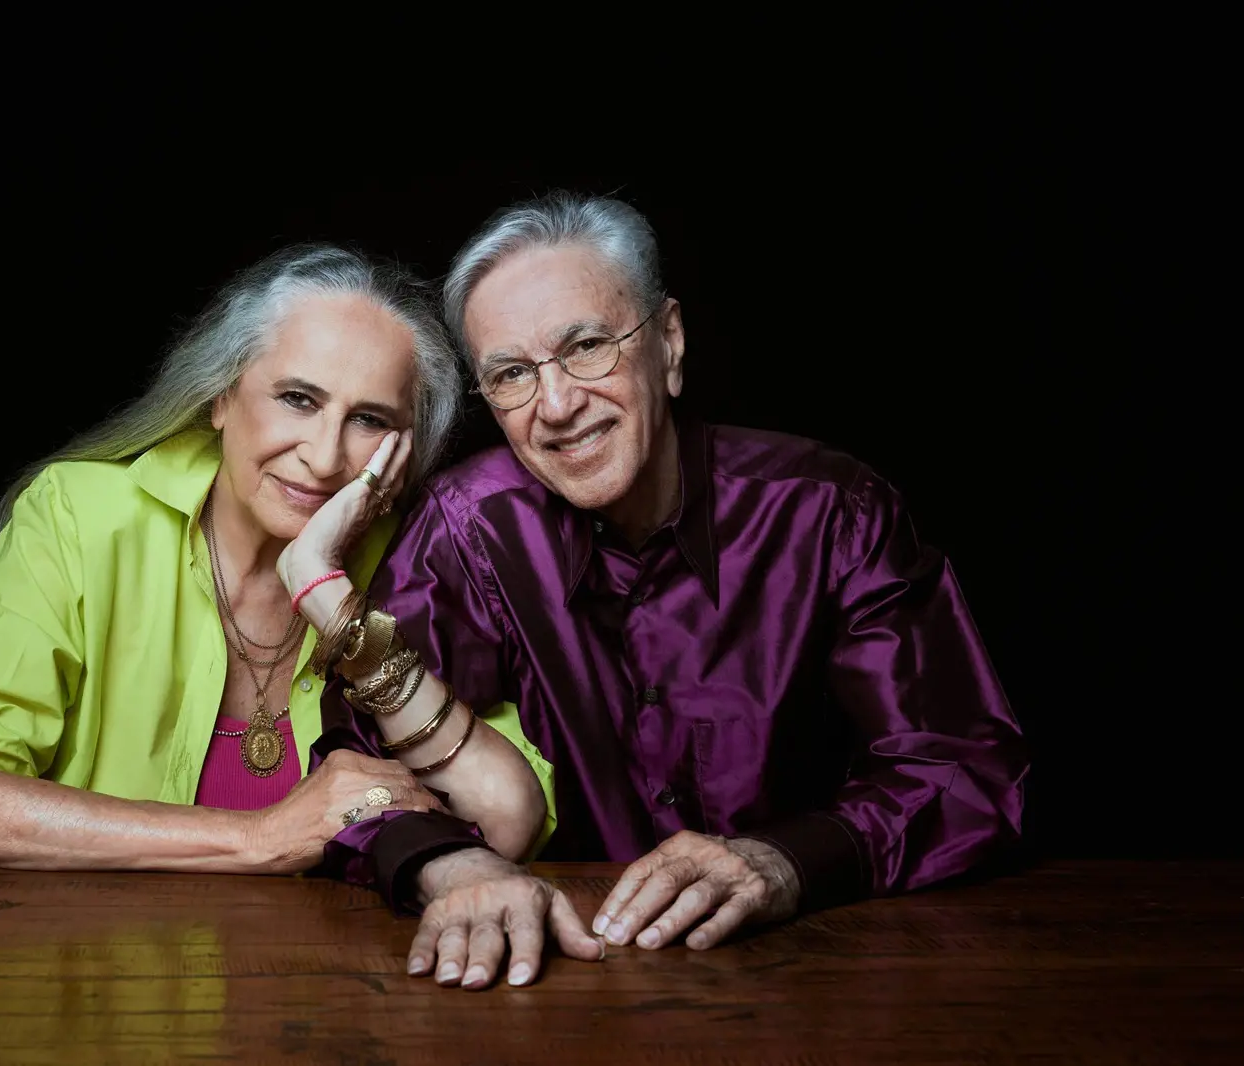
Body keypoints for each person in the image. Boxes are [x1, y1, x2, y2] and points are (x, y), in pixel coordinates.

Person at [318, 193, 1029, 991]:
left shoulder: (832, 511)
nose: (555, 407)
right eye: (513, 375)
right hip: (551, 987)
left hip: (821, 986)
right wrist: (451, 864)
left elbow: (964, 767)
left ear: (671, 343)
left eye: (587, 346)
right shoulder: (466, 529)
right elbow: (356, 761)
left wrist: (788, 860)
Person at [0, 243, 549, 878]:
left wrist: (330, 596)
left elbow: (507, 817)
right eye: (299, 399)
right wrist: (261, 837)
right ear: (222, 398)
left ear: (403, 452)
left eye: (369, 420)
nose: (323, 457)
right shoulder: (81, 518)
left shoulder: (418, 562)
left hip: (332, 983)